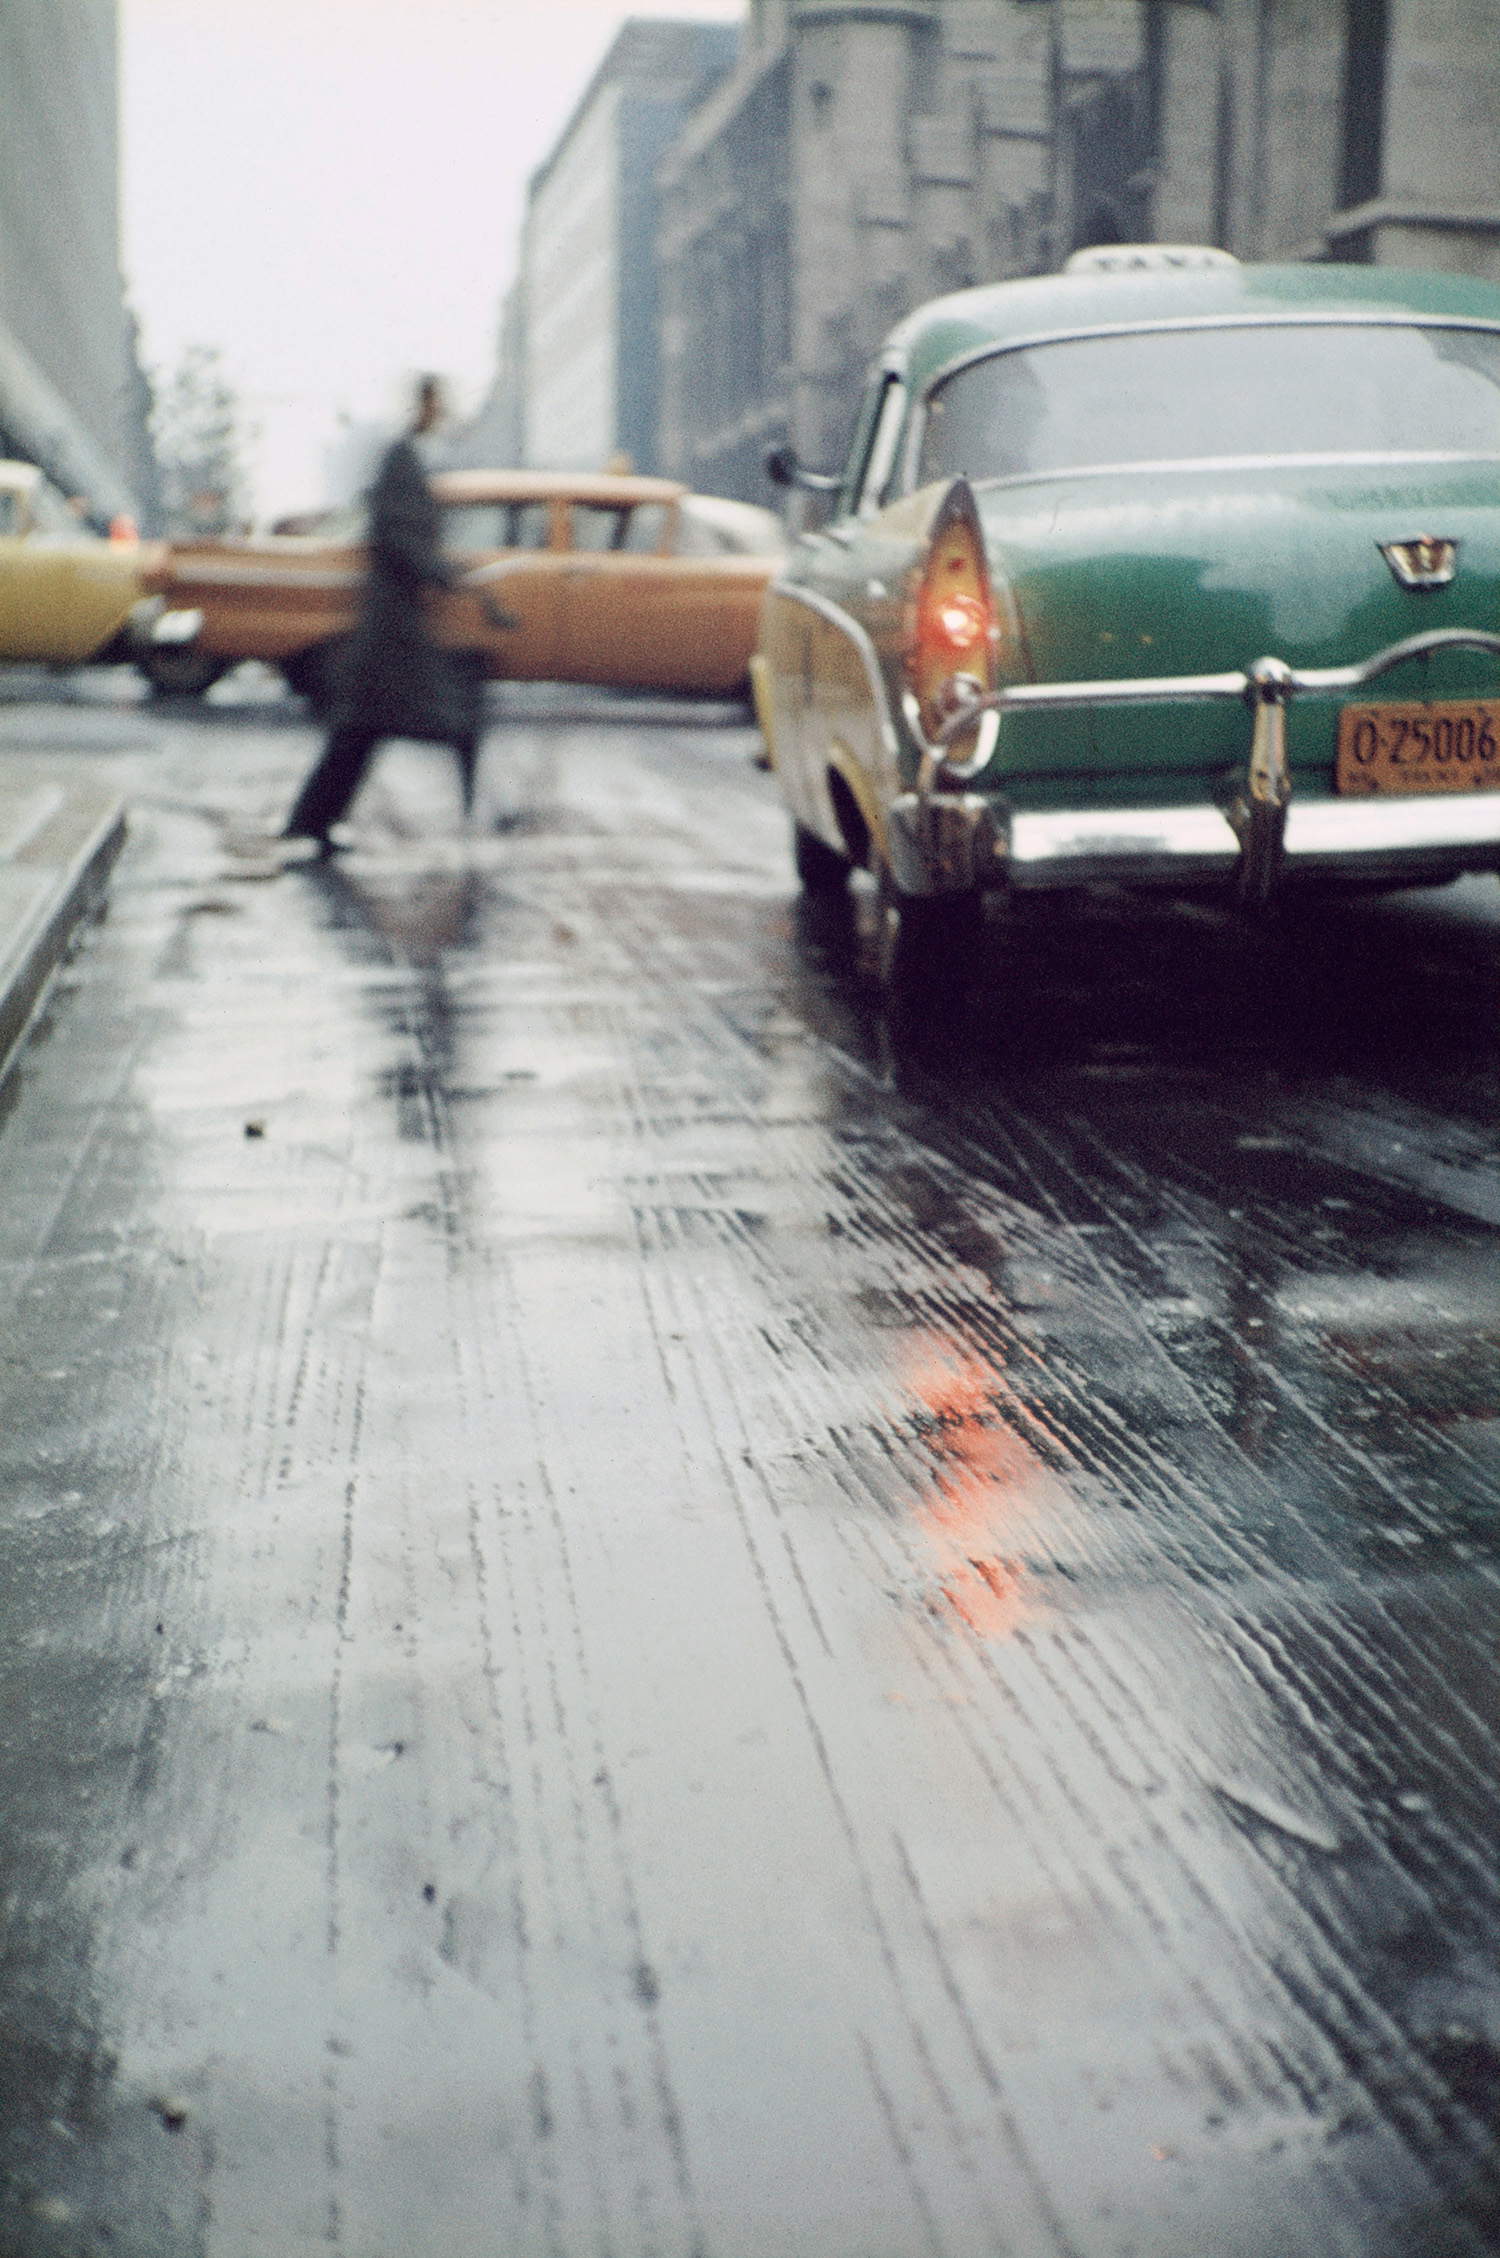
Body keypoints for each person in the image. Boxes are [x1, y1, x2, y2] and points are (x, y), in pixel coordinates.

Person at [281, 374, 481, 853]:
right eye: (439, 402)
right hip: (392, 624)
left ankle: (311, 821)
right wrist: (439, 571)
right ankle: (310, 821)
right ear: (425, 405)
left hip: (395, 621)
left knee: (360, 731)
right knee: (387, 725)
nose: (444, 411)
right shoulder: (402, 460)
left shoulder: (408, 458)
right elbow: (399, 536)